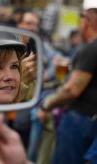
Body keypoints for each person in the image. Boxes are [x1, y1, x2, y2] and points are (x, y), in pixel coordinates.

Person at [39, 0, 97, 163]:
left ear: (86, 21)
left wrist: (46, 105)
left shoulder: (91, 48)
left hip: (80, 121)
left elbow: (72, 90)